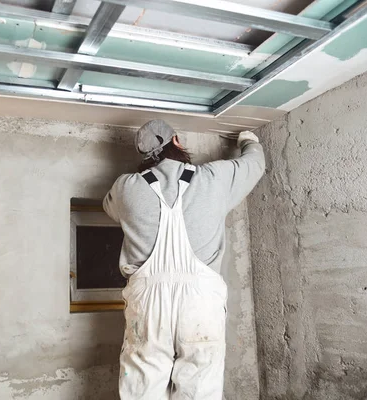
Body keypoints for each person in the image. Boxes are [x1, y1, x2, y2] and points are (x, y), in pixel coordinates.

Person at [103, 119, 265, 400]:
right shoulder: (213, 178)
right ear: (176, 142)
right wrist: (248, 140)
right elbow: (255, 164)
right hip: (200, 304)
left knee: (142, 389)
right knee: (199, 388)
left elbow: (109, 208)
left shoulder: (125, 187)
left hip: (148, 307)